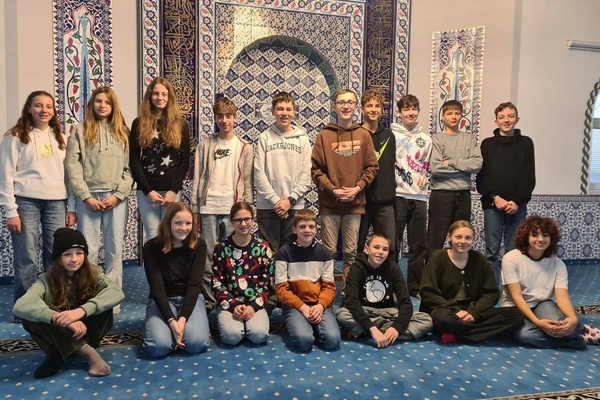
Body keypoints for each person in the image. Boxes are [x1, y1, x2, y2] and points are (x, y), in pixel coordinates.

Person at [13, 228, 124, 378]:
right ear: (58, 257)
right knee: (33, 313)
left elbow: (116, 292)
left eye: (79, 253)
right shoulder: (46, 279)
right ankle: (88, 352)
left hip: (89, 332)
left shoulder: (94, 273)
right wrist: (61, 319)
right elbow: (20, 305)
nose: (74, 259)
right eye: (67, 254)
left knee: (104, 301)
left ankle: (60, 352)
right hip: (59, 332)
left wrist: (81, 311)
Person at [0, 90, 73, 305]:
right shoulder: (15, 136)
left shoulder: (61, 139)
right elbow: (5, 175)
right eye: (38, 105)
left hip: (57, 202)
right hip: (25, 201)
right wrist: (10, 210)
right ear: (29, 109)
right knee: (27, 256)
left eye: (48, 106)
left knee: (56, 255)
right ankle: (27, 306)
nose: (44, 110)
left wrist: (71, 207)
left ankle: (53, 302)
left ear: (54, 111)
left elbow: (68, 176)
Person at [66, 86, 133, 312]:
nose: (102, 105)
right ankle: (89, 296)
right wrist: (85, 196)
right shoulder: (80, 130)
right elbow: (73, 167)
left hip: (116, 199)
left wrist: (118, 195)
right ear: (91, 104)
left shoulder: (123, 132)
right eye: (98, 101)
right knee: (88, 250)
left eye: (107, 102)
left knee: (115, 250)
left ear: (113, 106)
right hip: (89, 198)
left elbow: (130, 169)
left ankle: (112, 298)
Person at [192, 96, 253, 311]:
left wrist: (247, 210)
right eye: (220, 116)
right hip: (208, 207)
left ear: (235, 117)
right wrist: (195, 209)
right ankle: (211, 299)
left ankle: (232, 296)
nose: (224, 120)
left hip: (233, 209)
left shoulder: (244, 147)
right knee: (208, 255)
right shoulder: (205, 145)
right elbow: (198, 177)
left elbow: (248, 181)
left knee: (233, 254)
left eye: (228, 116)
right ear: (215, 119)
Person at [501, 216, 600, 348]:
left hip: (542, 304)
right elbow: (517, 297)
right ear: (526, 237)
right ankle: (577, 340)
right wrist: (538, 322)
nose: (540, 239)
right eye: (535, 235)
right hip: (515, 308)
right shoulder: (511, 259)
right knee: (525, 335)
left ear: (551, 238)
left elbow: (562, 297)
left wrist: (572, 318)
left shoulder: (558, 264)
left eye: (545, 235)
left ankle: (577, 330)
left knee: (565, 327)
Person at [311, 88, 378, 282]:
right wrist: (334, 190)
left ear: (356, 107)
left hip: (354, 203)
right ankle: (327, 292)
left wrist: (358, 188)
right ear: (335, 107)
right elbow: (316, 170)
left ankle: (350, 294)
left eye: (350, 102)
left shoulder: (364, 135)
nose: (346, 106)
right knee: (328, 252)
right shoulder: (324, 135)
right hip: (330, 203)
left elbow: (372, 167)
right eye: (341, 102)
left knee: (351, 252)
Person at [420, 220, 523, 344]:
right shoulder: (438, 257)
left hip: (472, 308)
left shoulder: (479, 259)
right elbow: (428, 292)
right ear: (449, 237)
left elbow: (492, 293)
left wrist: (474, 313)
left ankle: (457, 336)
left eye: (468, 238)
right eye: (458, 237)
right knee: (444, 320)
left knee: (516, 315)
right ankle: (480, 332)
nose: (463, 241)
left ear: (474, 240)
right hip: (445, 309)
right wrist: (456, 311)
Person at [336, 233, 432, 348]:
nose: (380, 252)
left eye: (385, 249)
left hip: (389, 312)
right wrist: (372, 328)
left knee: (426, 320)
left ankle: (364, 332)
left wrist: (396, 328)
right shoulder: (357, 267)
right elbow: (351, 301)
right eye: (376, 247)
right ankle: (378, 333)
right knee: (342, 314)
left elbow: (405, 303)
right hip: (365, 311)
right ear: (367, 249)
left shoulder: (393, 268)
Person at [476, 102, 536, 283]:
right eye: (501, 117)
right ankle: (492, 290)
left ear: (517, 119)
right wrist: (495, 198)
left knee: (514, 251)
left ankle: (511, 290)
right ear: (496, 121)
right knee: (491, 253)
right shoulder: (487, 144)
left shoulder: (526, 143)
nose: (506, 120)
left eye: (510, 116)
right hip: (492, 205)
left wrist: (516, 201)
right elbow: (482, 177)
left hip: (517, 207)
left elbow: (529, 176)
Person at [142, 202, 210, 357]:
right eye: (178, 223)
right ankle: (166, 330)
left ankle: (178, 330)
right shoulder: (151, 246)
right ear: (168, 223)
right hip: (163, 298)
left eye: (188, 223)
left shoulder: (199, 245)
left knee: (196, 344)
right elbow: (157, 287)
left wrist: (182, 319)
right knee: (159, 347)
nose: (183, 228)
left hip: (190, 297)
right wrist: (172, 321)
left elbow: (194, 285)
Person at [129, 77, 191, 241]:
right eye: (156, 93)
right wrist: (147, 191)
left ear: (170, 97)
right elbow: (134, 160)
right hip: (147, 191)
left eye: (164, 94)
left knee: (172, 236)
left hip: (171, 191)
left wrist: (174, 190)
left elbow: (184, 160)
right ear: (149, 96)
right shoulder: (139, 123)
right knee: (153, 237)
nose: (160, 97)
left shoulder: (181, 124)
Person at [275, 209, 340, 351]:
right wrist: (303, 308)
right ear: (294, 229)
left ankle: (314, 325)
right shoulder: (284, 253)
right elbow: (281, 290)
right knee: (304, 342)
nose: (307, 230)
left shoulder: (324, 253)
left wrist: (320, 306)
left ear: (316, 229)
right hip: (295, 305)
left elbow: (329, 287)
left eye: (311, 226)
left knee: (332, 341)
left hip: (318, 303)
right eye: (302, 226)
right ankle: (306, 326)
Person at [254, 91, 312, 253]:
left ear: (294, 112)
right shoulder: (264, 137)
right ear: (272, 112)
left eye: (288, 109)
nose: (284, 113)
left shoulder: (302, 138)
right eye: (280, 109)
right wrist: (276, 201)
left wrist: (289, 200)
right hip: (267, 206)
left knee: (291, 253)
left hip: (294, 205)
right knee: (268, 253)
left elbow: (306, 174)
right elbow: (258, 173)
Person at [427, 100, 482, 259]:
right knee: (435, 239)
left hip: (463, 194)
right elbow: (436, 168)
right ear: (442, 117)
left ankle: (459, 272)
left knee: (461, 238)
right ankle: (431, 273)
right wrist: (464, 170)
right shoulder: (436, 139)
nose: (454, 116)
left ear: (462, 116)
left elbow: (477, 165)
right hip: (441, 195)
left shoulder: (469, 139)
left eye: (457, 113)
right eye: (449, 113)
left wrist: (451, 162)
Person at [212, 202, 273, 345]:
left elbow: (267, 282)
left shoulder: (263, 247)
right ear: (231, 222)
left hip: (255, 302)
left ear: (253, 220)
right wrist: (232, 305)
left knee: (259, 335)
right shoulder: (221, 248)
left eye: (247, 219)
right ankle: (238, 326)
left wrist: (253, 306)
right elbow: (216, 282)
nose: (243, 224)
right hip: (229, 302)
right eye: (238, 220)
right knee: (232, 337)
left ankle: (249, 325)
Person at [390, 94, 432, 297]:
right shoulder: (391, 135)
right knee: (393, 244)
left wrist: (425, 180)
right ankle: (392, 285)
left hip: (419, 197)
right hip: (397, 195)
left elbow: (427, 166)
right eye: (406, 109)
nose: (411, 112)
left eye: (414, 108)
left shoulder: (426, 139)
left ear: (418, 111)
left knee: (418, 245)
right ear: (399, 112)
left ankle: (415, 287)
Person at [356, 89, 396, 260]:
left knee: (389, 246)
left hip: (385, 201)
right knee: (357, 246)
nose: (373, 109)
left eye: (377, 106)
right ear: (362, 109)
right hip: (360, 201)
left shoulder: (389, 136)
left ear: (382, 110)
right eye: (369, 105)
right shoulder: (355, 134)